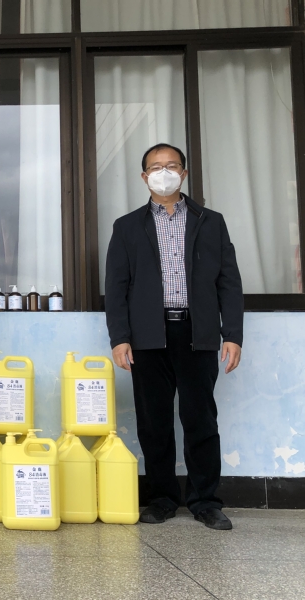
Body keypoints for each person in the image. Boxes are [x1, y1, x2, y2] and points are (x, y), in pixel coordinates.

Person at [104, 143, 243, 530]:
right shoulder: (127, 227)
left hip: (197, 332)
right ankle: (162, 499)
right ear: (144, 176)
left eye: (171, 166)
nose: (163, 173)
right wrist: (120, 337)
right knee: (154, 422)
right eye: (155, 167)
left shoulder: (210, 222)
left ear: (183, 173)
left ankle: (205, 501)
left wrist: (232, 334)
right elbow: (116, 288)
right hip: (148, 335)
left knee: (201, 419)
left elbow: (229, 282)